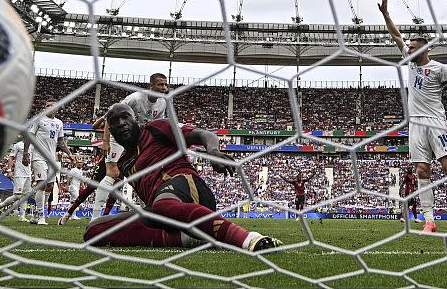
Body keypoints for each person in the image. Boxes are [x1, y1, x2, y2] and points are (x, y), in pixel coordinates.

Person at [83, 103, 282, 251]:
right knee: (94, 231)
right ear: (110, 130)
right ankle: (189, 239)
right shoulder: (124, 163)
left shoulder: (156, 128)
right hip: (163, 209)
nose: (121, 123)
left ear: (136, 119)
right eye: (115, 121)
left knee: (162, 205)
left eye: (125, 117)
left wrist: (212, 151)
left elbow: (204, 134)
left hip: (189, 188)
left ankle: (249, 239)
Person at [379, 0, 447, 234]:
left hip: (437, 123)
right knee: (422, 170)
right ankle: (429, 220)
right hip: (416, 125)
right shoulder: (410, 63)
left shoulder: (440, 69)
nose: (408, 50)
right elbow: (396, 36)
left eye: (412, 48)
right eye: (408, 48)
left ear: (423, 49)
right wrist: (386, 15)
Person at [91, 73, 169, 221]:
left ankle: (148, 215)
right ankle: (94, 218)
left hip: (136, 139)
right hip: (118, 135)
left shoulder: (162, 103)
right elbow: (111, 116)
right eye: (160, 84)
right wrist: (106, 141)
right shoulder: (135, 98)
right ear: (151, 86)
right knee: (113, 174)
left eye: (165, 85)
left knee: (141, 175)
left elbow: (158, 125)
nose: (164, 88)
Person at [23, 100, 75, 225]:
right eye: (47, 106)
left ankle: (36, 215)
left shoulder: (59, 123)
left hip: (52, 159)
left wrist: (70, 154)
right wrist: (25, 154)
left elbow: (61, 142)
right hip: (38, 157)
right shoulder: (39, 119)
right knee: (42, 184)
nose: (49, 108)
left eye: (52, 106)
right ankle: (41, 216)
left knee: (50, 187)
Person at [0, 140, 34, 222]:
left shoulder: (32, 146)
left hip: (28, 174)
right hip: (19, 173)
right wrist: (9, 170)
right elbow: (11, 158)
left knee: (25, 196)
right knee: (17, 195)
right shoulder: (18, 145)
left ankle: (22, 216)